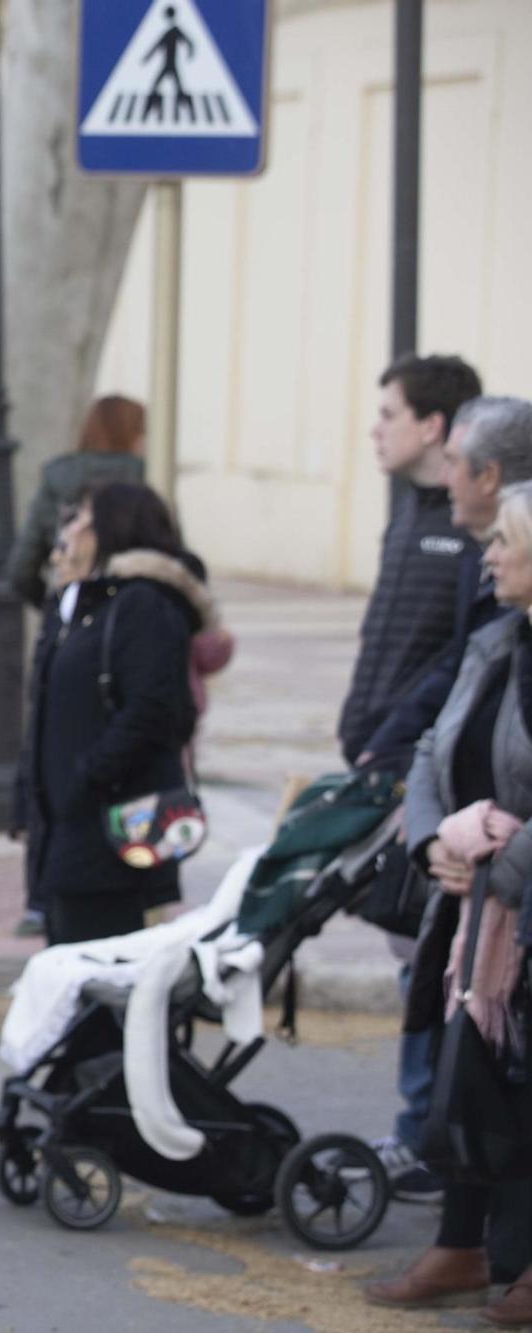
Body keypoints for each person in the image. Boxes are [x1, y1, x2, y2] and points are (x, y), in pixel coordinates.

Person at [363, 480, 532, 1322]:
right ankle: (462, 1246)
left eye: (505, 540)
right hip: (473, 899)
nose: (488, 555)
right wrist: (435, 842)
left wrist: (499, 867)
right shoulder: (496, 639)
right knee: (469, 1065)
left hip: (511, 894)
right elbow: (434, 746)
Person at [18, 482, 212, 947]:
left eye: (85, 517)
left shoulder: (143, 604)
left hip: (115, 824)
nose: (72, 529)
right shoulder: (83, 605)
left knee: (105, 977)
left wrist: (89, 775)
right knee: (71, 968)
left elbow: (154, 710)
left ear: (115, 528)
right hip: (68, 821)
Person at [338, 353, 485, 769]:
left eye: (388, 415)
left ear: (431, 427)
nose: (375, 431)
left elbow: (463, 656)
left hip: (415, 755)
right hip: (371, 746)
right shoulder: (406, 511)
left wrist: (398, 735)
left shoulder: (474, 526)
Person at [7, 394, 148, 609]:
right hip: (136, 612)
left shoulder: (58, 477)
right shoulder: (147, 476)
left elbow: (22, 569)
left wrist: (54, 608)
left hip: (73, 608)